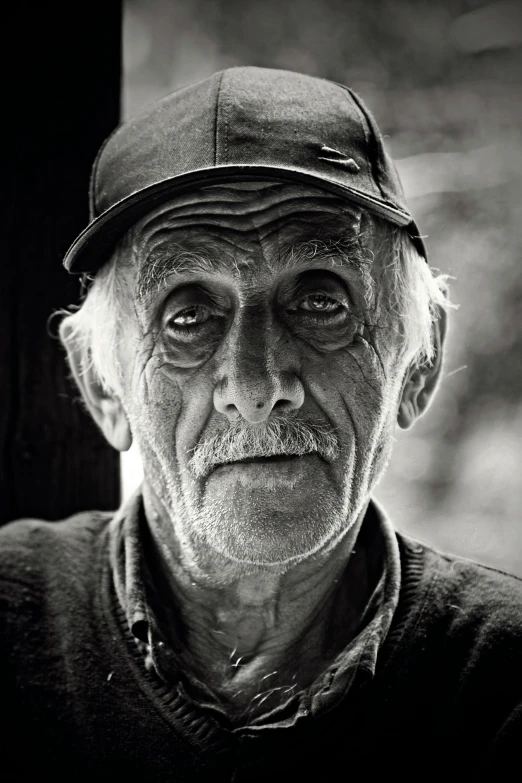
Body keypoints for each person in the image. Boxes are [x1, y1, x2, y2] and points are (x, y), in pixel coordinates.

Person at [1, 67, 520, 781]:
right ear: (101, 386)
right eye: (187, 317)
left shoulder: (505, 678)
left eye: (319, 301)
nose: (254, 384)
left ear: (419, 358)